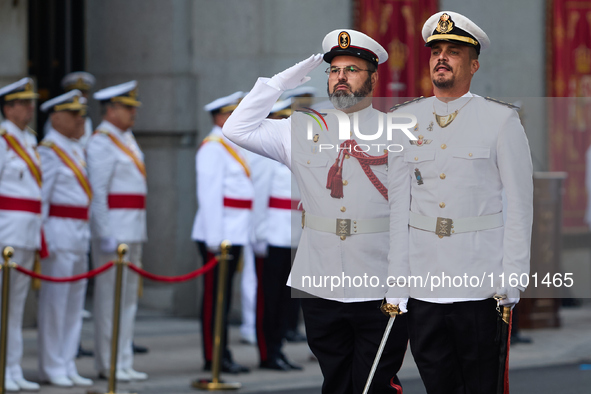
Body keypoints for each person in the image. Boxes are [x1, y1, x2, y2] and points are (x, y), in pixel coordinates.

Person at [223, 29, 409, 393]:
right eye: (334, 69)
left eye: (351, 69)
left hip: (379, 282)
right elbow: (236, 127)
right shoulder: (302, 128)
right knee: (335, 382)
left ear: (373, 77)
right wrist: (276, 83)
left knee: (375, 385)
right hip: (320, 282)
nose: (340, 76)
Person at [386, 11, 534, 394]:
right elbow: (398, 207)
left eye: (453, 51)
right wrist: (396, 280)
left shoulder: (500, 120)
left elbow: (519, 205)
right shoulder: (405, 119)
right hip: (424, 284)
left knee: (481, 386)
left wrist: (513, 275)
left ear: (473, 64)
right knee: (438, 385)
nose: (441, 57)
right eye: (436, 50)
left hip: (479, 285)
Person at [87, 80, 148, 382]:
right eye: (127, 108)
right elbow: (97, 193)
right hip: (115, 233)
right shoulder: (101, 141)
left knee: (127, 301)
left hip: (133, 230)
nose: (132, 113)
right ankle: (107, 362)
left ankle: (123, 359)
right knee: (109, 300)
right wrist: (104, 232)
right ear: (110, 110)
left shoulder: (127, 139)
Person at [191, 92, 252, 374]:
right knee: (216, 299)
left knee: (224, 300)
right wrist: (216, 239)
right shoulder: (213, 147)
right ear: (219, 117)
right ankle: (213, 356)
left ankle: (221, 352)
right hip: (220, 236)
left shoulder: (231, 144)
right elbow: (210, 196)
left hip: (235, 233)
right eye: (232, 114)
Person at [37, 90, 94, 388]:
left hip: (79, 230)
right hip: (58, 230)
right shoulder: (48, 151)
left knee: (74, 304)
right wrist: (43, 239)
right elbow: (42, 201)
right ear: (56, 117)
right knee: (55, 305)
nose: (80, 120)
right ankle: (51, 364)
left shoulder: (74, 148)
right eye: (74, 115)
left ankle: (68, 361)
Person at [250, 99, 304, 371]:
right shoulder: (263, 153)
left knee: (284, 299)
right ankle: (266, 352)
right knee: (268, 299)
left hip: (292, 235)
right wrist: (259, 235)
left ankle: (278, 348)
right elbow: (259, 196)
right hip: (271, 234)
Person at [0, 77, 42, 392]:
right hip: (6, 235)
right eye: (24, 102)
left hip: (26, 232)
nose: (30, 108)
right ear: (8, 107)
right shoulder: (3, 140)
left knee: (15, 308)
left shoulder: (28, 140)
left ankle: (12, 367)